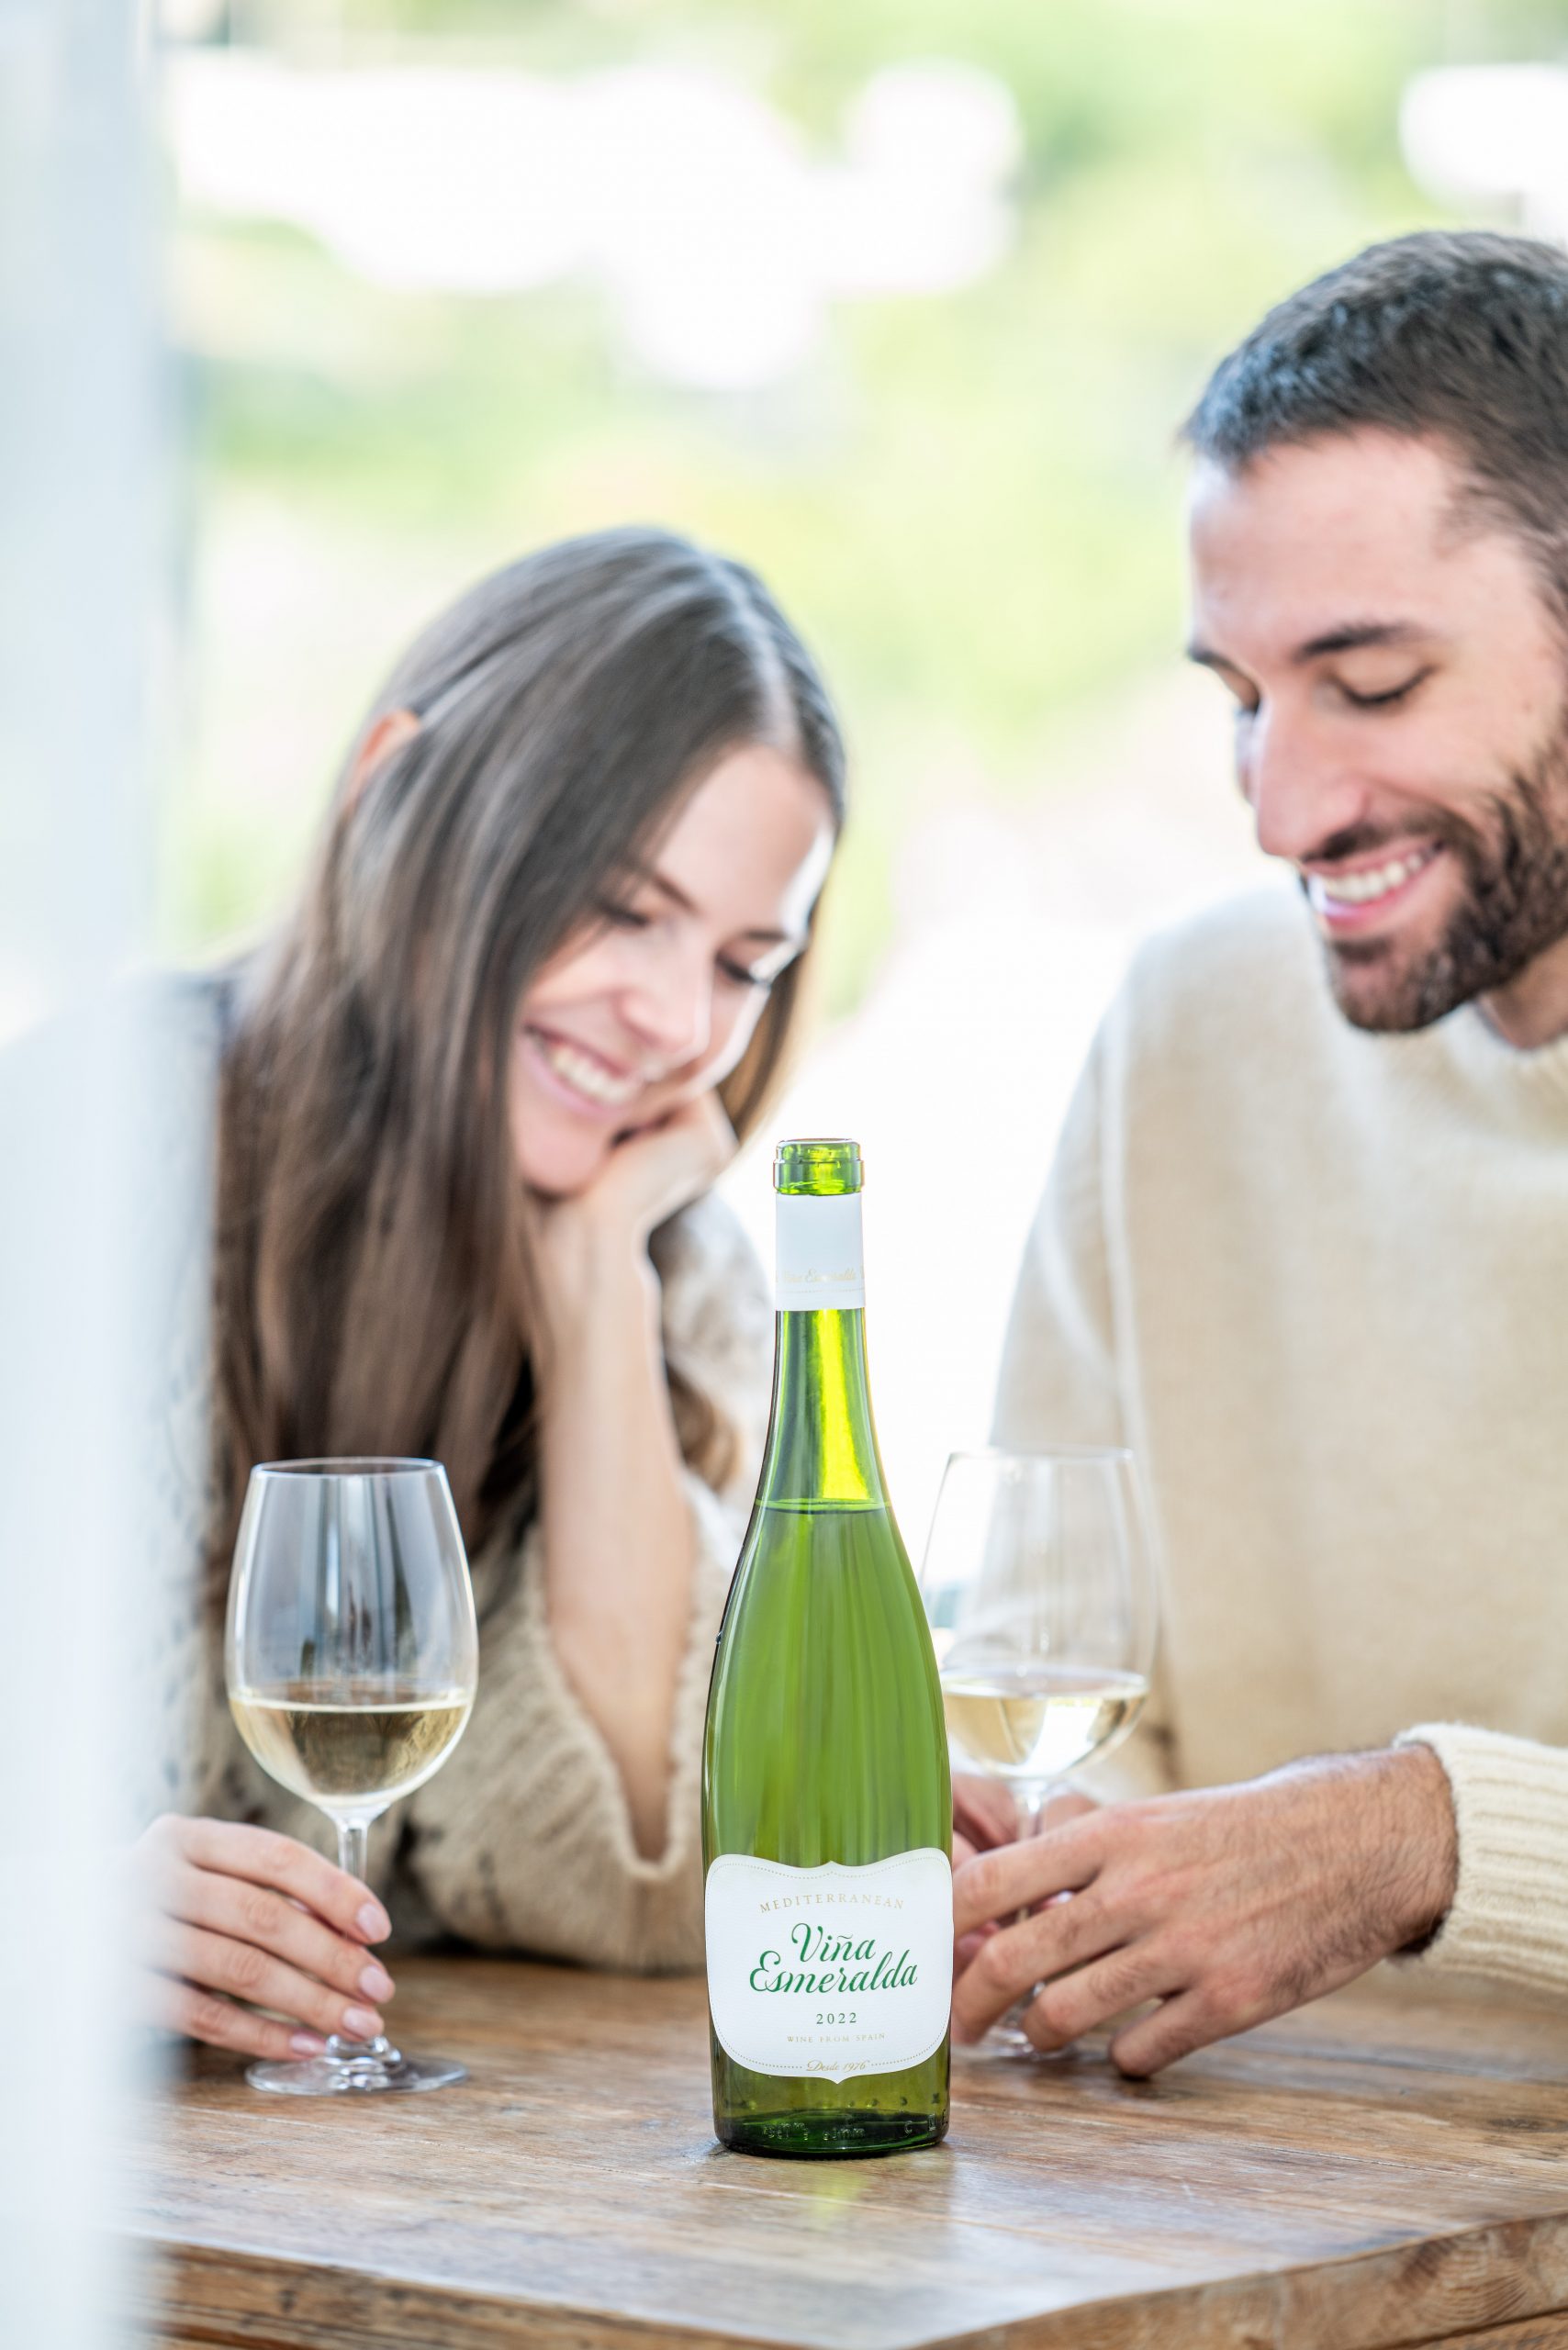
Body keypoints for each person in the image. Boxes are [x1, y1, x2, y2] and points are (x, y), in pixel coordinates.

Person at [954, 229, 1568, 2075]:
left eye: (1368, 684)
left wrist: (1418, 1839)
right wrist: (1011, 1844)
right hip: (1222, 2179)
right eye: (1239, 698)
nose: (1280, 809)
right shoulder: (1194, 1023)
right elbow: (1049, 1664)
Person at [129, 527, 842, 2067]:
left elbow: (641, 1885)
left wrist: (594, 1288)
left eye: (743, 963)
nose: (677, 1021)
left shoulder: (674, 1272)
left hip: (410, 2176)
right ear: (391, 791)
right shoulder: (94, 1174)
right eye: (622, 908)